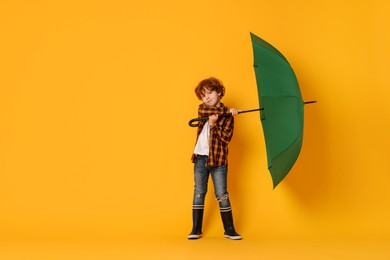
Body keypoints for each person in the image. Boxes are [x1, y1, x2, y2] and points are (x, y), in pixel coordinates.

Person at [188, 77, 242, 240]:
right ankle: (196, 229)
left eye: (210, 93)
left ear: (219, 92)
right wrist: (228, 110)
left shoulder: (227, 117)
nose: (207, 97)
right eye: (203, 95)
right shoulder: (202, 111)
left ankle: (229, 229)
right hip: (200, 159)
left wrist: (215, 124)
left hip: (218, 161)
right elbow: (207, 113)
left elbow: (225, 139)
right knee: (199, 192)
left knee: (222, 194)